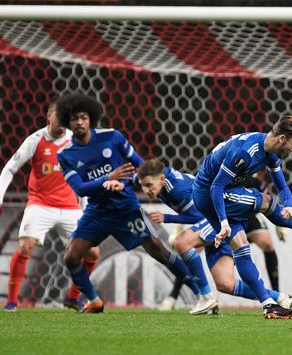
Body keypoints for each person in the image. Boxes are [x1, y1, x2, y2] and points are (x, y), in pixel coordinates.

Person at [55, 93, 213, 314]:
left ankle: (203, 296)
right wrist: (107, 180)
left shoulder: (112, 137)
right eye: (74, 119)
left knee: (159, 251)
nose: (79, 122)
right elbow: (80, 188)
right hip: (97, 211)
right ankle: (94, 300)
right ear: (66, 122)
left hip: (126, 208)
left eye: (83, 117)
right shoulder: (65, 155)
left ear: (91, 118)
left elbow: (141, 167)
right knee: (71, 255)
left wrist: (125, 182)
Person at [191, 114, 292, 319]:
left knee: (241, 247)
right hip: (210, 194)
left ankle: (268, 304)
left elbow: (282, 186)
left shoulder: (270, 151)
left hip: (221, 192)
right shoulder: (246, 152)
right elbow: (216, 186)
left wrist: (289, 205)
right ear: (282, 138)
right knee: (263, 200)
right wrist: (224, 222)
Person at [136, 159, 292, 311]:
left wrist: (168, 218)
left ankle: (206, 297)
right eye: (142, 186)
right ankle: (280, 298)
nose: (145, 190)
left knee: (182, 243)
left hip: (218, 219)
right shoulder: (161, 179)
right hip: (217, 223)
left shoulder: (177, 189)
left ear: (162, 179)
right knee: (225, 284)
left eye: (149, 185)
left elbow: (199, 216)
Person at [0, 103, 100, 312]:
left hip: (70, 206)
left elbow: (84, 173)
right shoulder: (35, 140)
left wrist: (84, 206)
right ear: (49, 117)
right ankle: (11, 302)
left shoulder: (75, 140)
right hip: (40, 204)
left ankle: (73, 298)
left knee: (92, 253)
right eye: (60, 116)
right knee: (26, 245)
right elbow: (10, 168)